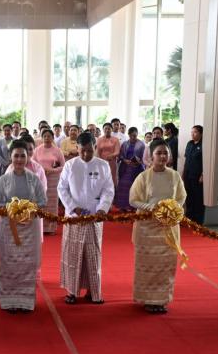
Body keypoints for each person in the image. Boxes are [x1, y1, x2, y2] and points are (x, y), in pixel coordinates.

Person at [129, 139, 186, 314]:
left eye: (165, 153)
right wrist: (150, 207)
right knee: (147, 263)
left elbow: (181, 197)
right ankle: (147, 299)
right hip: (147, 227)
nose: (162, 156)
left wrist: (172, 209)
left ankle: (161, 300)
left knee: (166, 264)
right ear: (151, 156)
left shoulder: (174, 176)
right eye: (158, 153)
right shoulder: (144, 177)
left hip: (168, 226)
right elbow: (133, 200)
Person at [58, 132, 114, 305]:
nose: (86, 154)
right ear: (77, 148)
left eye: (89, 150)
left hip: (94, 217)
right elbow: (62, 188)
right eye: (82, 150)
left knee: (93, 254)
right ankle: (71, 291)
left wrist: (102, 209)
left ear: (95, 148)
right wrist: (73, 207)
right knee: (72, 254)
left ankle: (93, 291)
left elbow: (108, 190)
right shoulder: (70, 165)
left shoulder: (103, 165)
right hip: (74, 217)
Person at [0, 140, 47, 313]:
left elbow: (43, 201)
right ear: (10, 157)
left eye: (22, 156)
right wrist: (12, 209)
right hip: (8, 228)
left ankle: (25, 302)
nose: (19, 159)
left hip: (29, 229)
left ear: (28, 156)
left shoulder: (34, 179)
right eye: (16, 156)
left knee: (27, 264)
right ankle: (9, 301)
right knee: (8, 263)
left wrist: (27, 209)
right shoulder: (3, 180)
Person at [33, 129, 66, 234]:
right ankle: (41, 228)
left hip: (53, 179)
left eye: (49, 136)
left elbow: (63, 166)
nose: (47, 138)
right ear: (42, 138)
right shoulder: (37, 150)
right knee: (41, 202)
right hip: (40, 179)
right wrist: (41, 170)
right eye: (45, 136)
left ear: (52, 138)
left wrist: (52, 170)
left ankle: (51, 228)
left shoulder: (57, 150)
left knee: (52, 204)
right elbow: (33, 165)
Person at [114, 127, 145, 211]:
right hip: (125, 168)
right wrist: (125, 160)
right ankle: (123, 206)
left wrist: (138, 161)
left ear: (137, 134)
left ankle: (133, 206)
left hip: (136, 168)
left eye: (135, 136)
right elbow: (120, 155)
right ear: (129, 135)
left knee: (134, 187)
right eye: (131, 136)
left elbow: (144, 157)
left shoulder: (141, 144)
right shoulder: (125, 144)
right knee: (123, 185)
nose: (133, 137)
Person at [183, 125, 204, 223]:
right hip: (188, 175)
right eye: (192, 132)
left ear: (201, 133)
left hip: (197, 176)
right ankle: (189, 218)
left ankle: (198, 220)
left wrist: (203, 174)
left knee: (198, 198)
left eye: (195, 132)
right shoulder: (189, 143)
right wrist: (183, 173)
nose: (192, 134)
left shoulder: (204, 145)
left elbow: (206, 162)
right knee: (189, 197)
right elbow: (186, 159)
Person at [96, 122, 120, 189]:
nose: (107, 130)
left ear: (111, 130)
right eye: (105, 129)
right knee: (102, 177)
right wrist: (99, 161)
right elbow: (98, 152)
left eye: (109, 129)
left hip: (112, 162)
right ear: (103, 130)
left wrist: (111, 155)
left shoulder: (116, 139)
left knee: (112, 177)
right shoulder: (99, 139)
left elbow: (117, 152)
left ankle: (112, 192)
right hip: (101, 162)